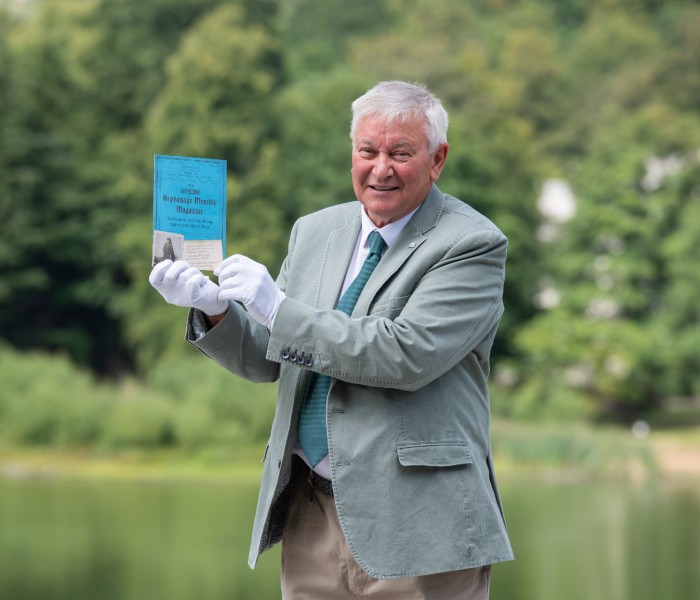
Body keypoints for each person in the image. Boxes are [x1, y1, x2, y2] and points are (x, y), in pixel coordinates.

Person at [149, 80, 513, 599]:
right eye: (368, 151)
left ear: (438, 159)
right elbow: (271, 358)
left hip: (418, 525)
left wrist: (276, 308)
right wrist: (213, 309)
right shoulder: (315, 231)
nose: (381, 168)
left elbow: (403, 354)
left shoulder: (470, 243)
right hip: (310, 511)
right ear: (352, 152)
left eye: (401, 153)